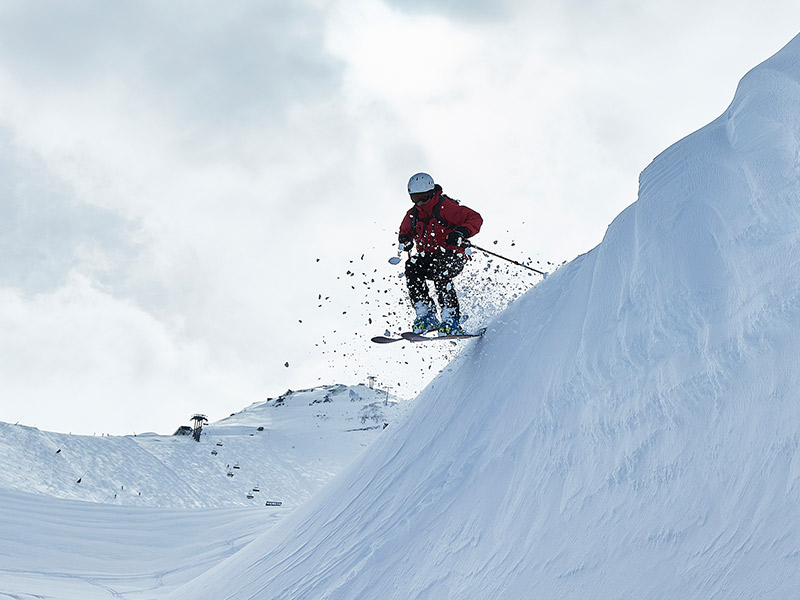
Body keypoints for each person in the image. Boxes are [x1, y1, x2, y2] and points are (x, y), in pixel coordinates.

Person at [398, 172, 483, 335]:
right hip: (429, 258)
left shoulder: (445, 207)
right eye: (416, 198)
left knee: (441, 270)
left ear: (431, 193)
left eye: (423, 197)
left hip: (453, 255)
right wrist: (405, 239)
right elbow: (405, 231)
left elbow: (475, 218)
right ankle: (426, 314)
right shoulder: (413, 215)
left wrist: (460, 232)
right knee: (412, 265)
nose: (420, 202)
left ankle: (451, 318)